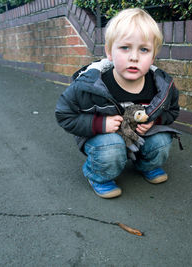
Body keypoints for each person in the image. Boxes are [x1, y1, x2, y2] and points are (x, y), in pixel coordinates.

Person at [55, 8, 180, 198]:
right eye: (125, 47)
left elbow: (173, 111)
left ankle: (146, 165)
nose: (134, 57)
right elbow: (64, 115)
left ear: (153, 57)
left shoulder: (161, 86)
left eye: (144, 49)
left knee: (162, 141)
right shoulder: (89, 85)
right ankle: (99, 176)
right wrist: (99, 124)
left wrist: (156, 120)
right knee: (110, 147)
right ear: (109, 52)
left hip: (137, 137)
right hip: (105, 138)